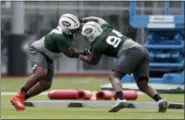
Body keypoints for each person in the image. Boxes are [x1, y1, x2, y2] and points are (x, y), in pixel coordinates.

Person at [79, 16, 168, 113]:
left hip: (130, 52)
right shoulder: (106, 28)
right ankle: (160, 100)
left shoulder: (97, 45)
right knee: (142, 84)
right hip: (142, 50)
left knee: (114, 76)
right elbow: (97, 19)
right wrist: (83, 20)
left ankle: (121, 99)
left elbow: (93, 61)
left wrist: (79, 55)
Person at [10, 13, 81, 111]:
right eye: (74, 30)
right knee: (41, 73)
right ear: (66, 29)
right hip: (39, 51)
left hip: (49, 56)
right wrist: (86, 53)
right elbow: (70, 54)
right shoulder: (59, 37)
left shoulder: (66, 31)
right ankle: (19, 95)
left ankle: (22, 98)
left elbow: (81, 24)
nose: (76, 32)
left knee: (46, 84)